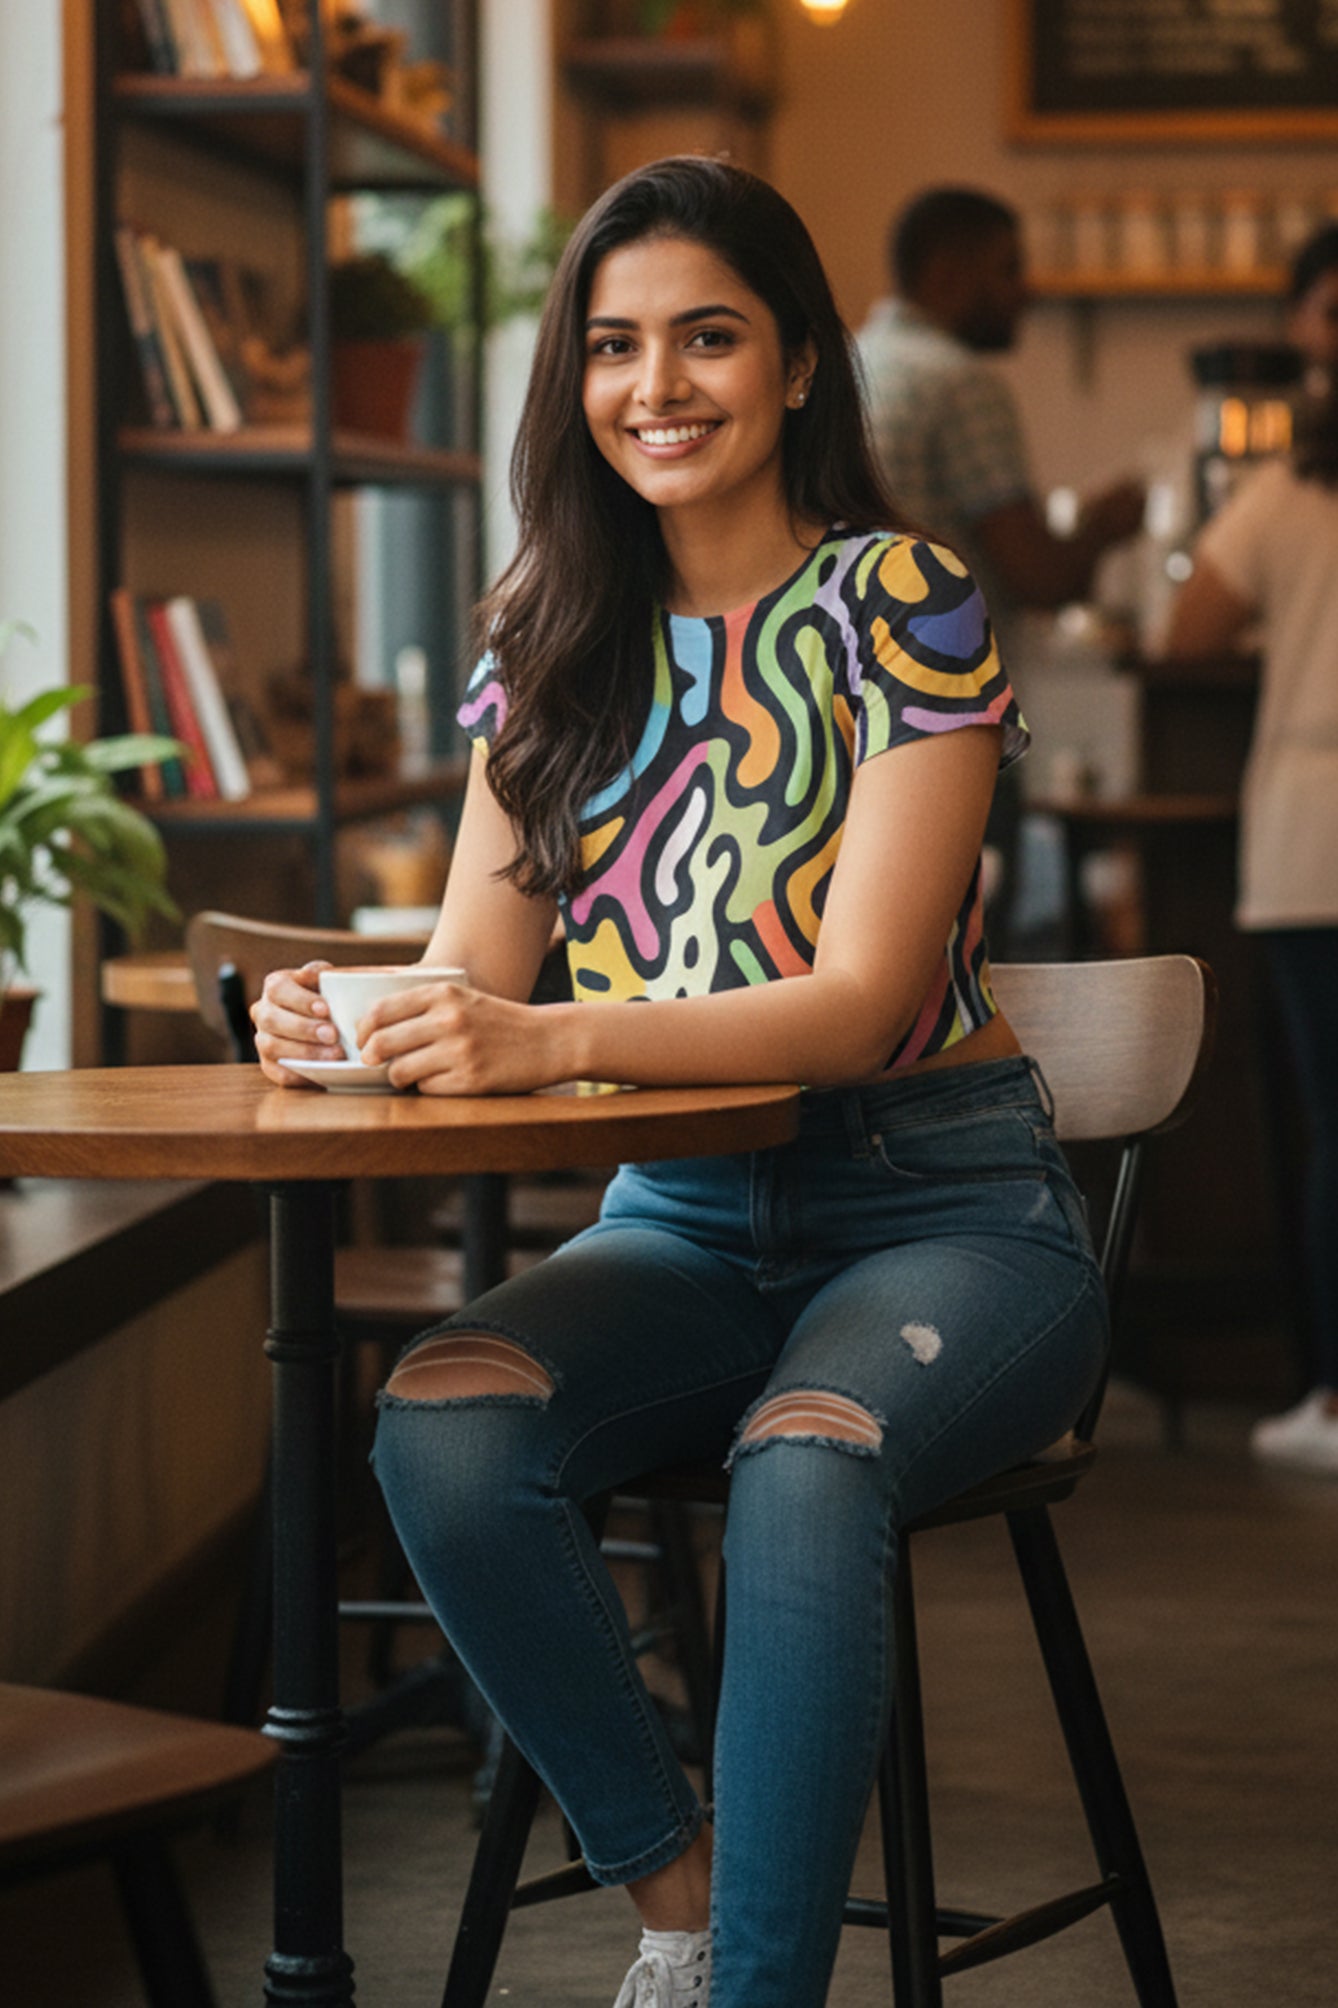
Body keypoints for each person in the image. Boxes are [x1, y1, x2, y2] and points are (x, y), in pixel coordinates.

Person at [252, 157, 1109, 2008]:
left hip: (945, 1207)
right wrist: (352, 1019)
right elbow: (471, 980)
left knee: (805, 1466)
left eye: (707, 335)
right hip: (680, 1220)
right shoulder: (542, 648)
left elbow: (865, 1000)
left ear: (798, 361)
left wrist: (548, 1032)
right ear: (573, 377)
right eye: (615, 343)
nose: (659, 383)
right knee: (442, 1420)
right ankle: (680, 1900)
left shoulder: (904, 600)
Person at [857, 186, 1146, 944]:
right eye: (1010, 269)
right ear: (949, 273)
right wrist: (1103, 527)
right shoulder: (960, 382)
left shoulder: (848, 364)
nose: (1029, 290)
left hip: (846, 722)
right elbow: (1036, 575)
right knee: (976, 959)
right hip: (950, 722)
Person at [1164, 223, 1338, 1479]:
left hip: (1312, 840)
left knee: (1333, 1123)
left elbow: (1183, 631)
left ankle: (1331, 1396)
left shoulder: (1294, 486)